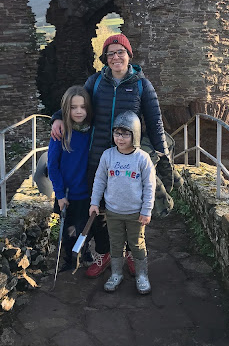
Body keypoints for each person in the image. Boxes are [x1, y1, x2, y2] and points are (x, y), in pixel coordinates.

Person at [51, 33, 170, 278]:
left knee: (131, 207)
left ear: (129, 55)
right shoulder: (95, 82)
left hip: (128, 158)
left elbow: (155, 122)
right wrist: (56, 118)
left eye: (120, 52)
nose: (116, 57)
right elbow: (76, 103)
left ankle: (132, 253)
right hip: (97, 158)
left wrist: (164, 158)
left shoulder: (141, 85)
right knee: (101, 211)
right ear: (105, 58)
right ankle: (106, 253)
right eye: (111, 53)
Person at [89, 111, 155, 294]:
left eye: (126, 134)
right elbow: (99, 180)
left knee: (137, 244)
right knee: (116, 244)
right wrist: (94, 202)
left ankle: (142, 276)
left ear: (135, 134)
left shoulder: (142, 158)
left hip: (135, 213)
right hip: (113, 211)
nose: (120, 138)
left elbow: (150, 186)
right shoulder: (107, 156)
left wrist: (146, 210)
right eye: (117, 133)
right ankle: (116, 273)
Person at [48, 86, 92, 271]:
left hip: (87, 193)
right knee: (68, 229)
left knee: (85, 229)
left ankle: (85, 252)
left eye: (82, 107)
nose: (79, 111)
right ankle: (68, 259)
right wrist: (59, 193)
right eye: (74, 107)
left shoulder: (92, 131)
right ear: (67, 109)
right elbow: (52, 165)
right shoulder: (60, 134)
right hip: (66, 193)